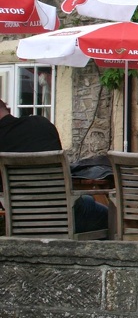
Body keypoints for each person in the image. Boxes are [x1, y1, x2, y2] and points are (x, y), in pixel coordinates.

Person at [0, 98, 108, 233]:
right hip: (64, 216)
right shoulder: (40, 124)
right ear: (7, 110)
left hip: (21, 222)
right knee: (104, 213)